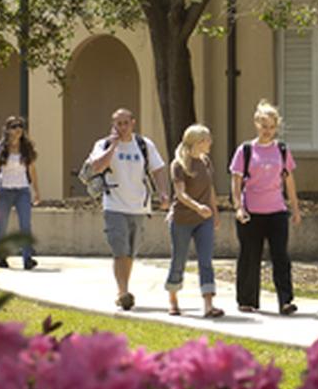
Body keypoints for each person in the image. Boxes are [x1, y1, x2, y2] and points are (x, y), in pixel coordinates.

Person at [86, 108, 169, 310]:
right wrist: (113, 145)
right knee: (119, 250)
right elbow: (96, 167)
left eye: (125, 123)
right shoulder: (103, 144)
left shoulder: (144, 145)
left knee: (130, 253)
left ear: (133, 122)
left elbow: (157, 169)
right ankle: (122, 292)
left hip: (139, 206)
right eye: (118, 124)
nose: (122, 127)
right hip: (114, 204)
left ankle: (124, 289)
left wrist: (163, 192)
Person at [229, 100, 301, 315]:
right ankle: (247, 300)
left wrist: (295, 209)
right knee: (250, 257)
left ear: (276, 126)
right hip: (251, 212)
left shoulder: (282, 150)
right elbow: (236, 181)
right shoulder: (246, 150)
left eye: (271, 126)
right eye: (263, 126)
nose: (267, 131)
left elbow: (289, 181)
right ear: (256, 124)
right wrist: (238, 207)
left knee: (281, 256)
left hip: (277, 211)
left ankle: (285, 301)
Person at [165, 124, 223, 318]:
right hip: (182, 219)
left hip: (204, 220)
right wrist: (198, 207)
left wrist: (214, 212)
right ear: (198, 142)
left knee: (206, 260)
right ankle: (173, 299)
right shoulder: (179, 164)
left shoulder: (206, 161)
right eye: (207, 139)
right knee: (179, 260)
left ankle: (208, 305)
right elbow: (180, 194)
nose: (210, 143)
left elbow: (210, 190)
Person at [0, 115, 41, 270]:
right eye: (14, 126)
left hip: (22, 191)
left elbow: (32, 170)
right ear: (7, 130)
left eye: (20, 126)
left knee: (25, 224)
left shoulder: (26, 148)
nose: (18, 129)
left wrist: (36, 191)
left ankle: (27, 259)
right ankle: (1, 257)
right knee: (2, 225)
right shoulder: (0, 148)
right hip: (5, 190)